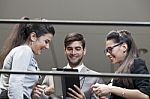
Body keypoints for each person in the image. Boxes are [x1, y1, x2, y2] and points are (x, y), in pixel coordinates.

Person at [33, 32, 104, 99]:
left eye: (77, 49)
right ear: (65, 50)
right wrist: (46, 92)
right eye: (70, 49)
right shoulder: (51, 76)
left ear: (84, 50)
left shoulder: (95, 78)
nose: (73, 52)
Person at [0, 16, 55, 99]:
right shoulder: (25, 50)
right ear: (33, 36)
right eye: (46, 41)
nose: (47, 47)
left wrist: (32, 92)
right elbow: (16, 83)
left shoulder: (26, 53)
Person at [91, 30, 150, 99]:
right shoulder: (120, 70)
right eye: (106, 51)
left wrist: (110, 89)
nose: (107, 54)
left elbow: (144, 95)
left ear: (124, 47)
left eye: (110, 49)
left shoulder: (136, 63)